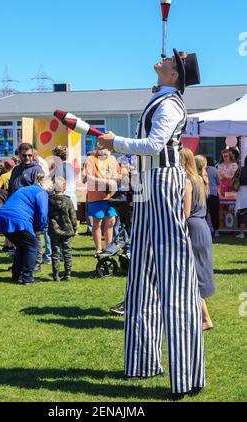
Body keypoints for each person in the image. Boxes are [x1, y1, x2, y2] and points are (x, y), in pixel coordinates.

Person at [98, 49, 205, 399]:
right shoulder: (160, 96)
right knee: (141, 276)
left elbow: (156, 144)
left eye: (171, 61)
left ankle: (186, 376)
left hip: (161, 182)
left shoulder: (171, 103)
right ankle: (142, 362)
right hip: (146, 183)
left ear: (175, 75)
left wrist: (118, 142)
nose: (164, 59)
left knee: (173, 278)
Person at [181, 149, 215, 331]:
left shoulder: (188, 181)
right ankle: (199, 316)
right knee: (198, 274)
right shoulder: (200, 180)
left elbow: (185, 213)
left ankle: (205, 319)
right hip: (203, 228)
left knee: (193, 276)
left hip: (193, 229)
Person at [0, 175, 50, 285]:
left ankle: (16, 275)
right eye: (50, 185)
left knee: (22, 246)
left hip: (2, 217)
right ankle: (28, 278)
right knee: (32, 246)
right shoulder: (41, 192)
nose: (51, 188)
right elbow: (43, 212)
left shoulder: (24, 189)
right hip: (18, 220)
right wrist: (40, 227)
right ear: (43, 184)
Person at [8, 143, 45, 270]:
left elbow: (39, 191)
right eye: (24, 155)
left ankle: (36, 263)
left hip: (30, 208)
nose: (27, 158)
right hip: (16, 208)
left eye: (30, 155)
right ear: (19, 155)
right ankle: (22, 263)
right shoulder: (16, 169)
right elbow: (11, 187)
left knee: (35, 235)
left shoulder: (37, 169)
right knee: (20, 237)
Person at [48, 177, 78, 282]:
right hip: (67, 230)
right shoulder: (68, 201)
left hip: (54, 230)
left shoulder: (49, 201)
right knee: (67, 253)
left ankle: (56, 276)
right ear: (64, 187)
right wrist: (75, 228)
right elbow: (73, 217)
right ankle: (68, 274)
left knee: (55, 253)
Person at [206, 157, 220, 237]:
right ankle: (216, 231)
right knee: (214, 213)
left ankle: (206, 230)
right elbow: (218, 182)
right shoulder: (214, 170)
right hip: (214, 193)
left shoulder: (202, 170)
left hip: (204, 193)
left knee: (204, 213)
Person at [235, 156, 247, 239]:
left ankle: (242, 233)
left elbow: (234, 179)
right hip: (242, 192)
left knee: (242, 213)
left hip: (242, 193)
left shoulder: (240, 169)